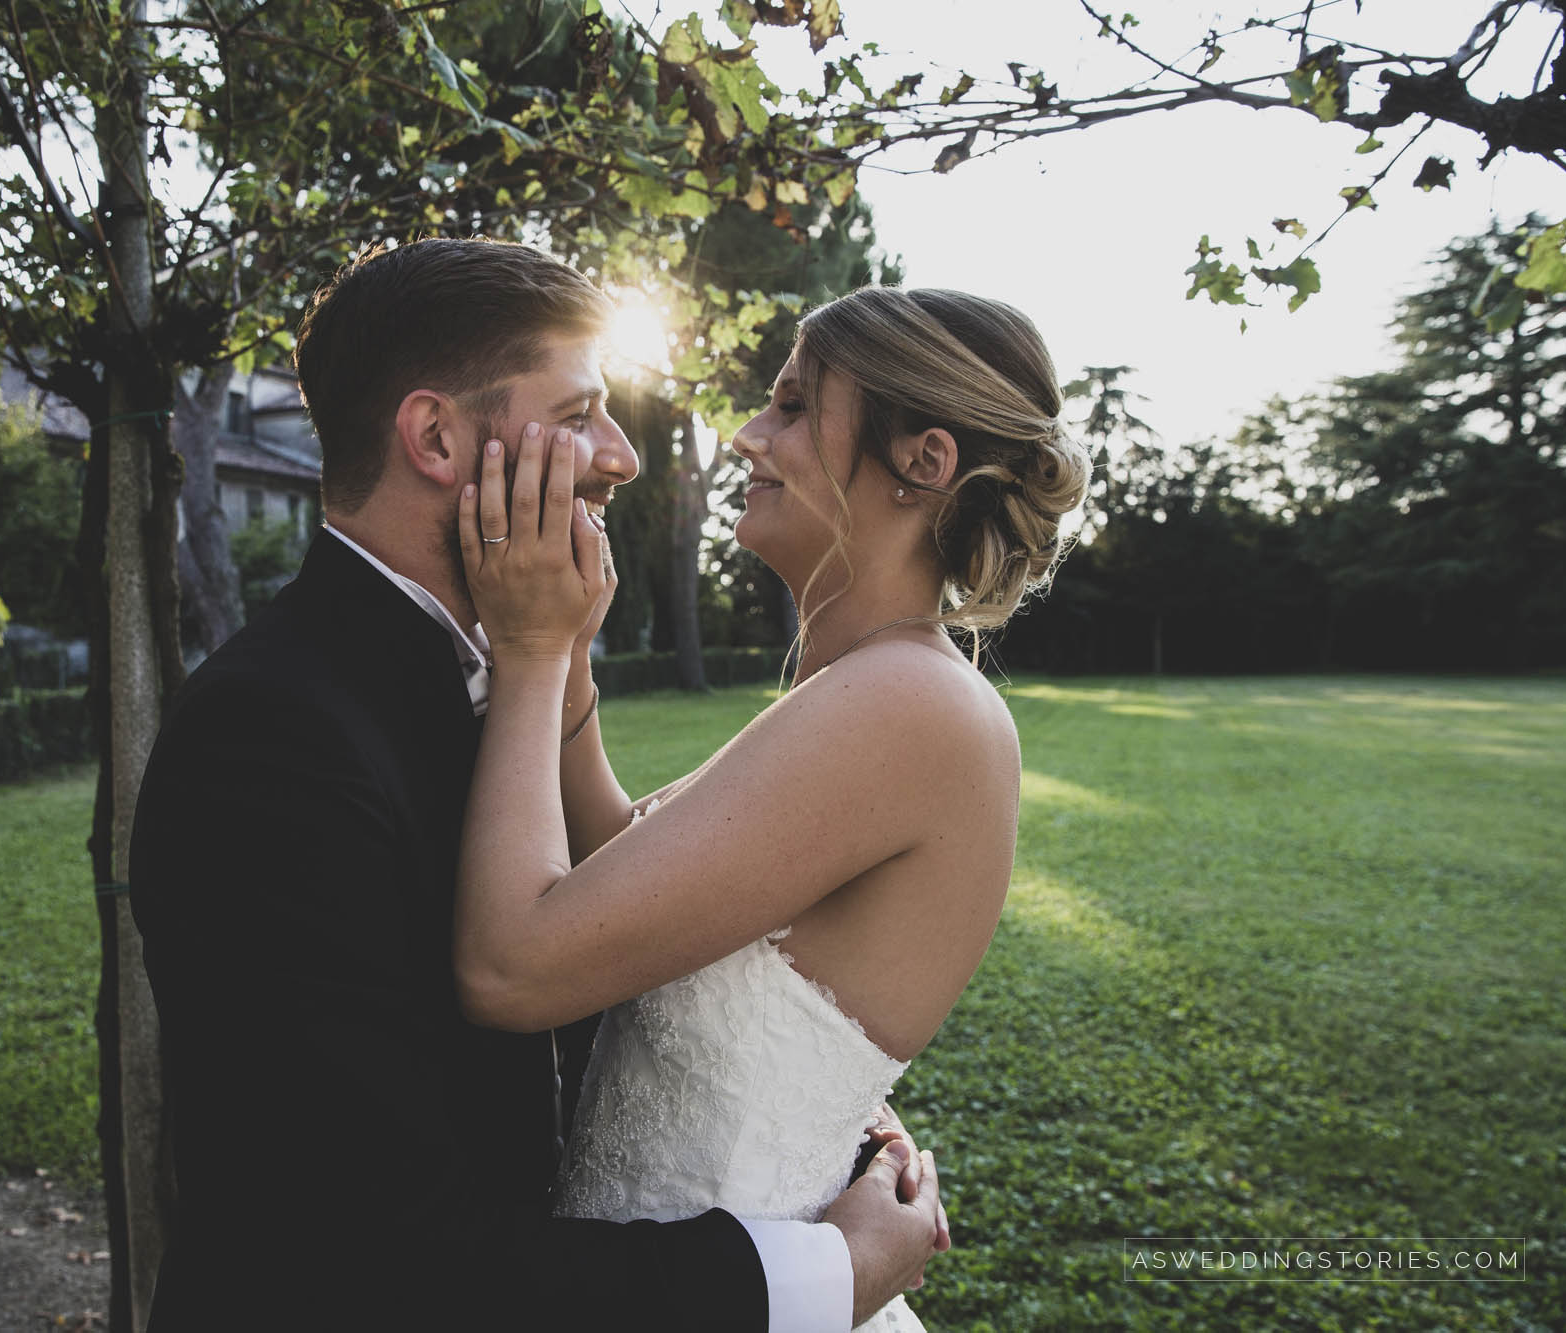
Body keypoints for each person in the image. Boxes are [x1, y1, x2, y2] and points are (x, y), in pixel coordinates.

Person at [128, 240, 944, 1331]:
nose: (621, 458)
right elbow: (383, 1262)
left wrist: (813, 1113)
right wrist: (821, 1275)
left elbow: (618, 971)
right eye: (578, 415)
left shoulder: (504, 675)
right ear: (432, 438)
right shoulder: (274, 739)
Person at [453, 286, 1092, 1333]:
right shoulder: (860, 689)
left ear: (920, 463)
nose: (748, 433)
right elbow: (621, 860)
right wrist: (566, 656)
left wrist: (522, 653)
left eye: (793, 407)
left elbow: (514, 964)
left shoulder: (907, 704)